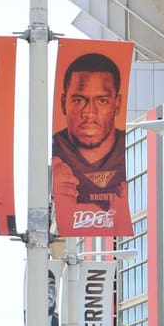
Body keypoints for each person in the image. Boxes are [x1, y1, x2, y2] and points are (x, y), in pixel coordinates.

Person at [51, 50, 129, 236]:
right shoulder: (56, 162)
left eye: (102, 101)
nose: (89, 112)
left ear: (117, 104)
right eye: (79, 100)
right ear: (64, 103)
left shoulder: (132, 155)